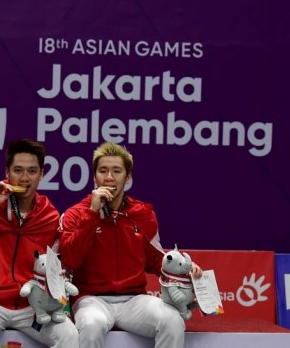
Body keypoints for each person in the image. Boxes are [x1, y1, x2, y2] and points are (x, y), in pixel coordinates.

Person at [59, 142, 202, 348]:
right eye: (103, 171)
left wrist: (185, 268)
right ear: (94, 177)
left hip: (134, 300)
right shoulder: (76, 214)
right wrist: (92, 214)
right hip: (91, 299)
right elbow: (70, 259)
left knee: (172, 320)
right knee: (91, 324)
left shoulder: (142, 214)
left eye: (117, 171)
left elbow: (155, 260)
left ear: (127, 178)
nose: (109, 177)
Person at [0, 139, 79, 348]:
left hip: (31, 308)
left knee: (69, 335)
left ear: (41, 174)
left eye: (32, 171)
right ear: (7, 172)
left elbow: (58, 263)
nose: (24, 178)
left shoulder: (49, 215)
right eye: (18, 170)